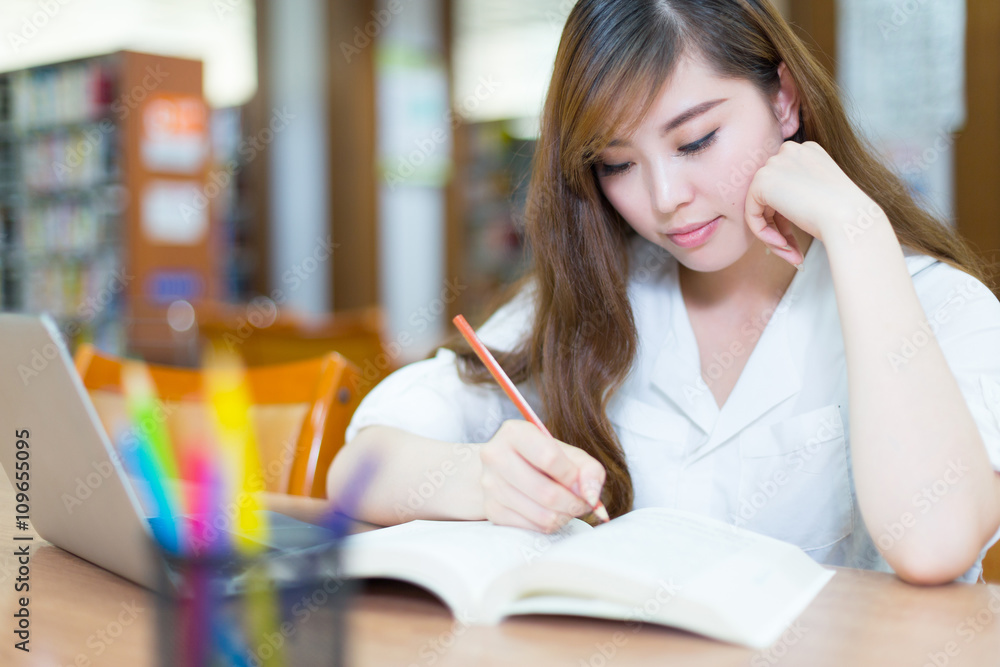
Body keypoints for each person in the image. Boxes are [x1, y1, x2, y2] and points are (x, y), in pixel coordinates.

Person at [328, 0, 1000, 585]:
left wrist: (858, 232)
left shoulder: (941, 305)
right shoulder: (601, 294)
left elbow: (934, 543)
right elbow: (359, 465)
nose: (665, 200)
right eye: (618, 163)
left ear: (784, 99)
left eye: (697, 139)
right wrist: (480, 478)